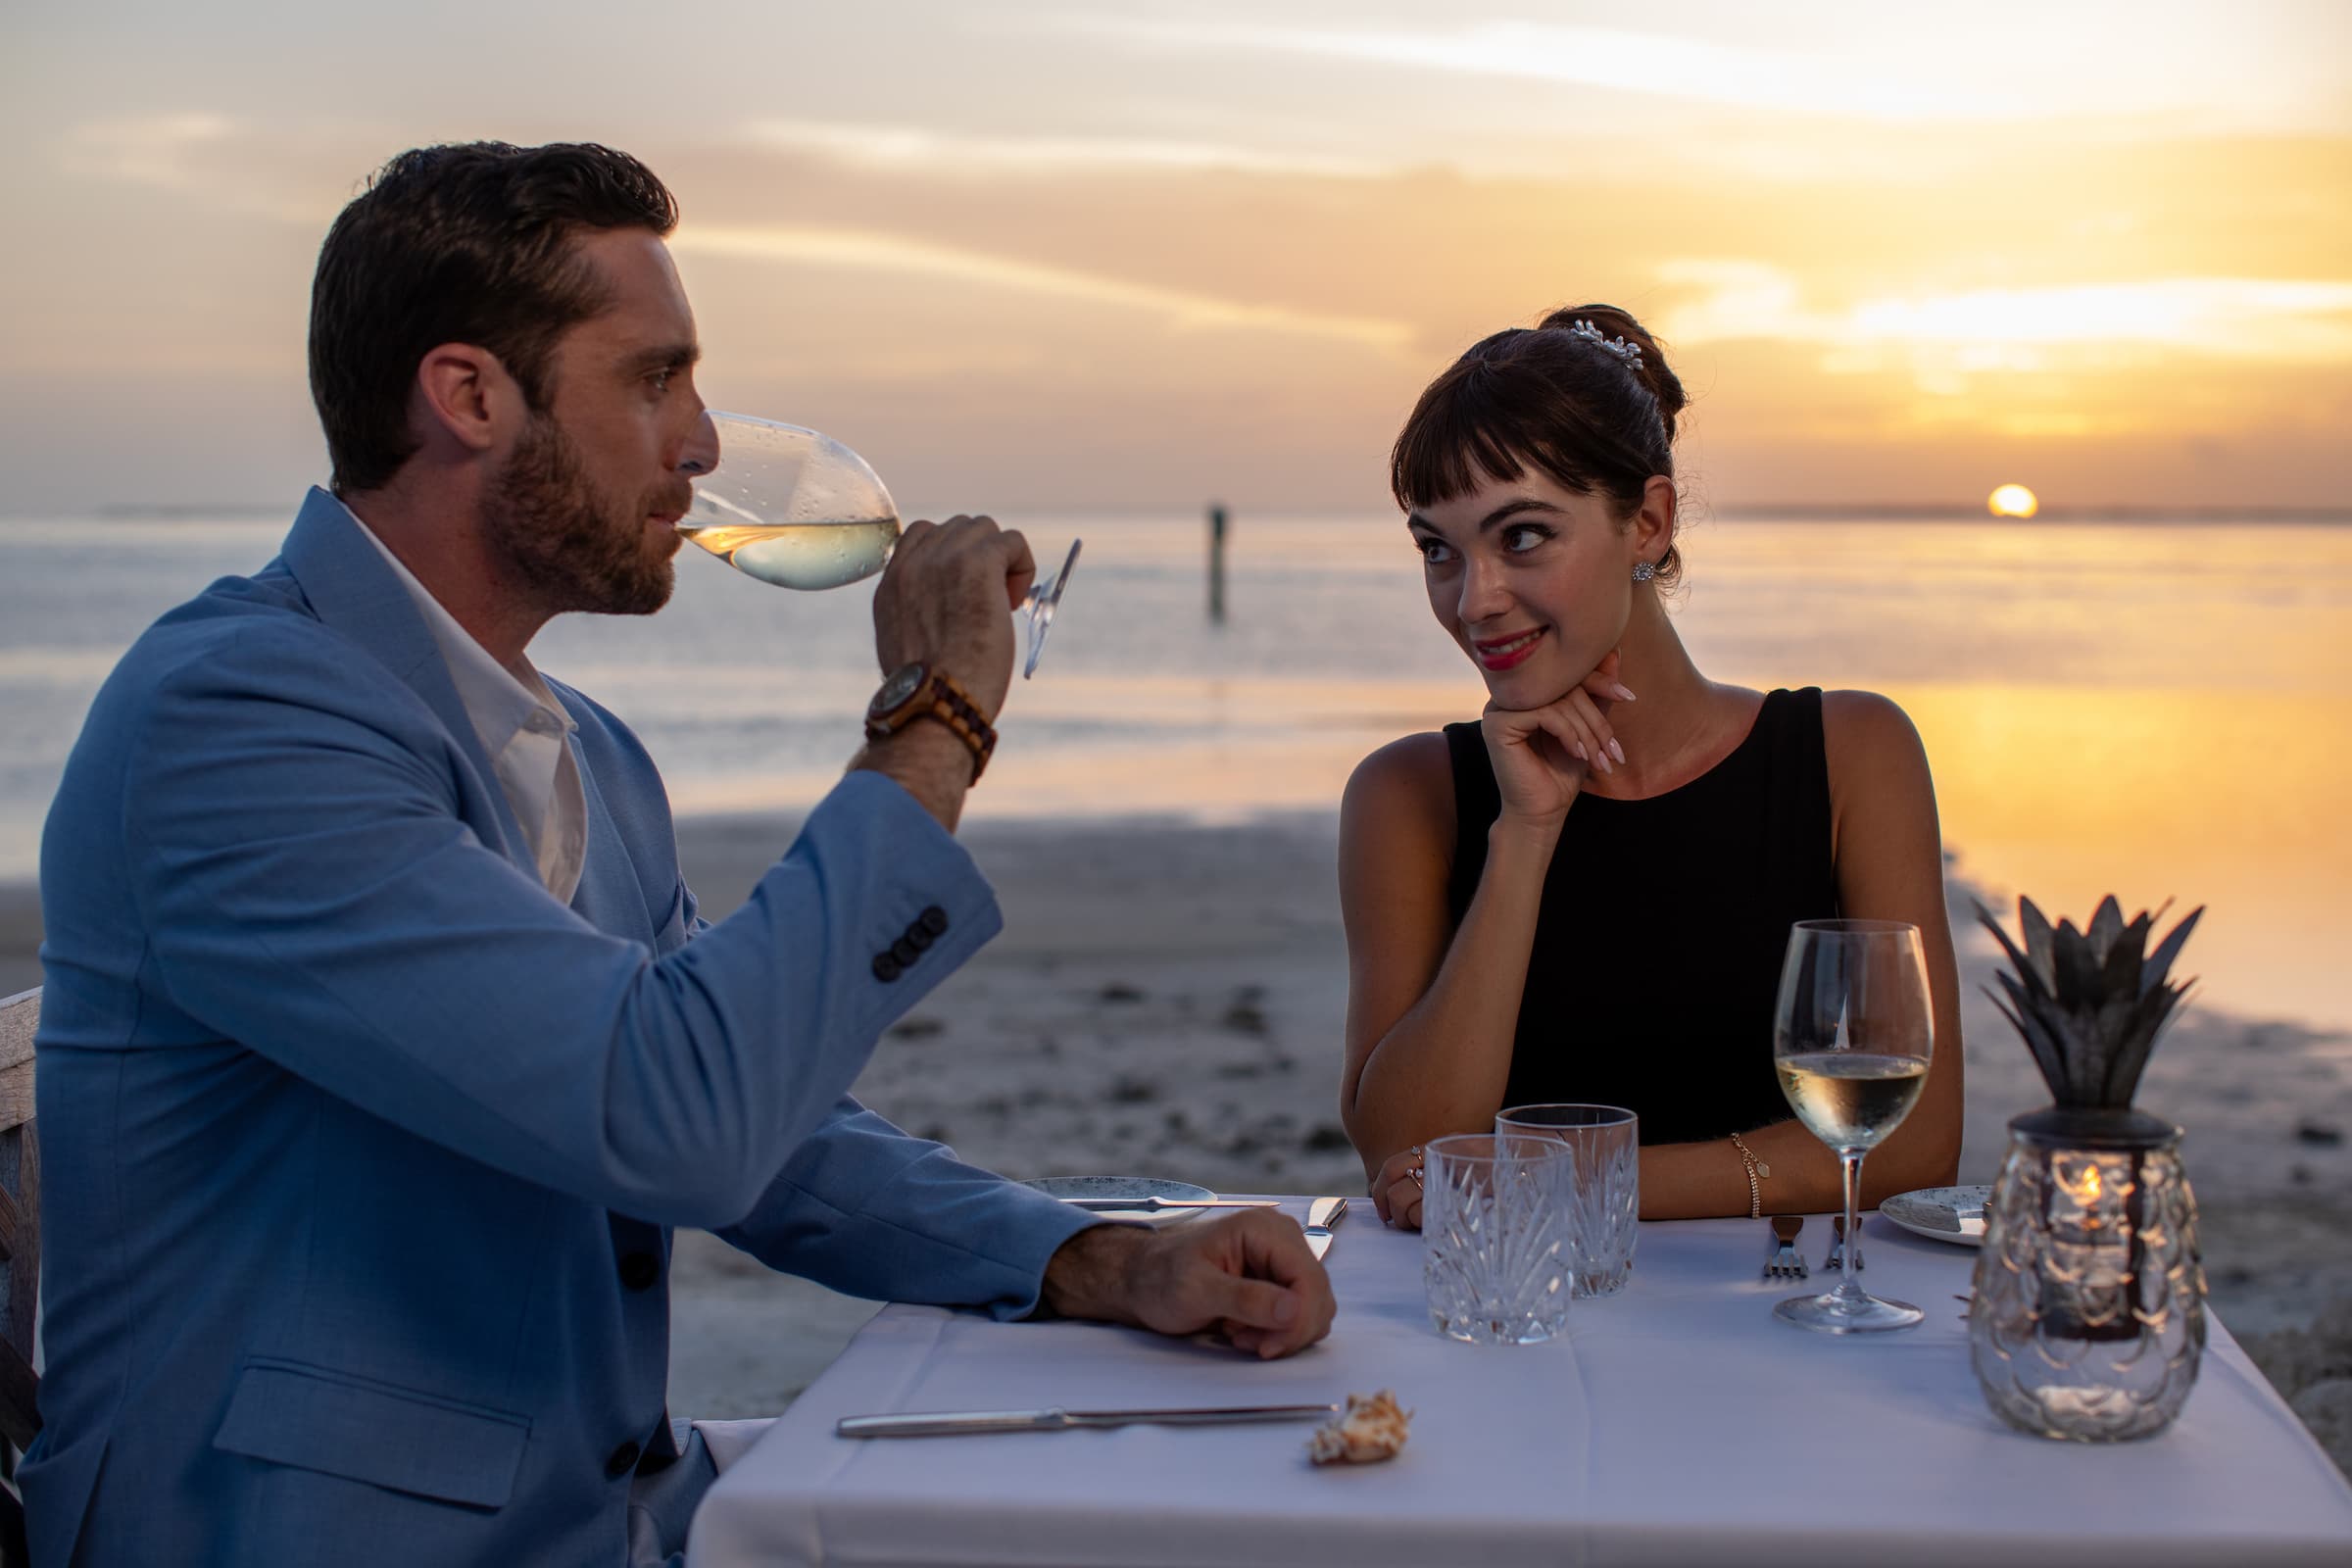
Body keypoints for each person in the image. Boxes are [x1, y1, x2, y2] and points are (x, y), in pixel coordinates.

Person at [23, 142, 1333, 1568]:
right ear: (468, 395)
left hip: (615, 1512)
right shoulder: (234, 728)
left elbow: (762, 1128)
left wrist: (1092, 1259)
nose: (702, 447)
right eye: (657, 381)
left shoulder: (586, 750)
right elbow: (682, 1112)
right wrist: (936, 718)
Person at [1337, 304, 1963, 1230]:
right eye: (1439, 549)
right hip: (1513, 1330)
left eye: (1520, 537)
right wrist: (1526, 836)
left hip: (1783, 1331)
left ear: (1650, 523)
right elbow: (1405, 1156)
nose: (1474, 601)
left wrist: (1563, 1184)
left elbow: (1913, 1147)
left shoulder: (1851, 756)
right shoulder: (1408, 795)